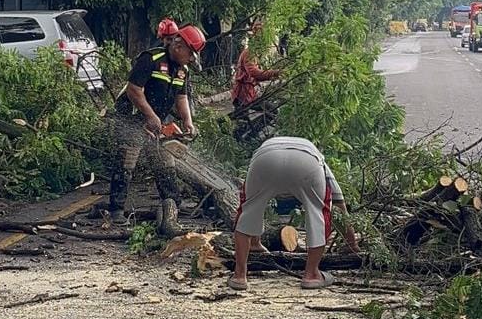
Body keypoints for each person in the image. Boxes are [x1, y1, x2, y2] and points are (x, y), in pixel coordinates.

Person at [228, 137, 359, 291]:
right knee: (318, 213)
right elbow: (338, 207)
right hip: (306, 163)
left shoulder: (264, 149)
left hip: (265, 160)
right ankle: (312, 275)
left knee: (249, 210)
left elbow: (248, 205)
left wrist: (255, 242)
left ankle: (239, 275)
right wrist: (351, 244)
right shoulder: (321, 164)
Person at [106, 23, 206, 222]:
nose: (191, 58)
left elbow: (181, 97)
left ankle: (173, 203)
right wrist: (150, 116)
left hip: (157, 119)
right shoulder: (151, 59)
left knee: (165, 161)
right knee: (127, 161)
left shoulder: (182, 70)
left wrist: (188, 121)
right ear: (179, 46)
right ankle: (116, 209)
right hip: (132, 116)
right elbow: (134, 90)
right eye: (190, 54)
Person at [231, 21, 281, 109]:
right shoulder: (249, 53)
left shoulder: (254, 53)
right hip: (243, 96)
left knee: (270, 108)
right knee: (271, 109)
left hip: (249, 94)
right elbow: (255, 73)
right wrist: (275, 73)